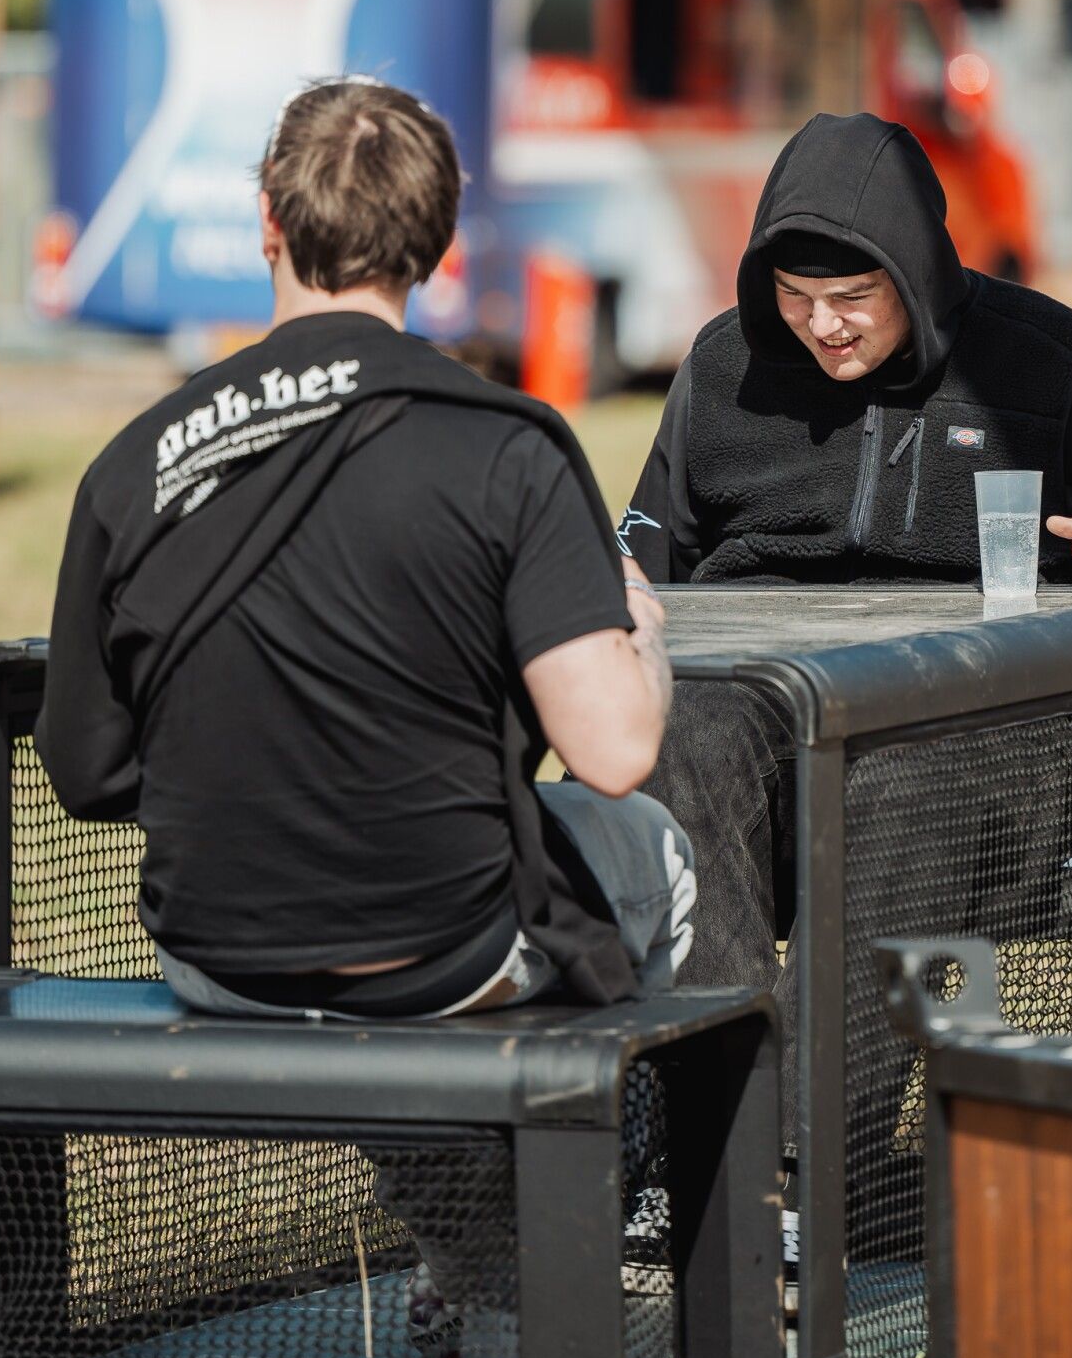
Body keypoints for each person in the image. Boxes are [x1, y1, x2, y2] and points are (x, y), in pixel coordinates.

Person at [618, 110, 1072, 1227]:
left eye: (853, 297)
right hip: (770, 731)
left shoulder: (1053, 363)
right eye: (795, 297)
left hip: (981, 754)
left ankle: (790, 1179)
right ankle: (708, 1151)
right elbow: (639, 558)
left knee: (900, 781)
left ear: (918, 275)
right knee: (683, 733)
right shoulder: (723, 369)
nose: (822, 326)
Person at [36, 77, 689, 1025]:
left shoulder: (138, 460)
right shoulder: (508, 447)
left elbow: (85, 770)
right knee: (652, 843)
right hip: (449, 956)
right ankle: (610, 1120)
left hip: (213, 960)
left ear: (268, 219)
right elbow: (616, 752)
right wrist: (637, 626)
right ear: (439, 239)